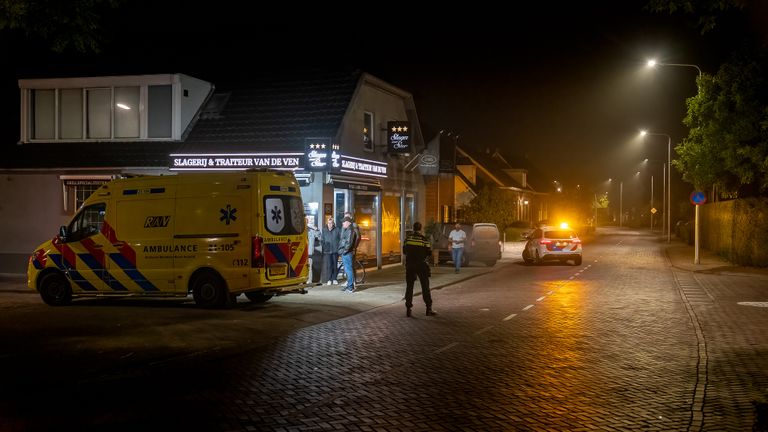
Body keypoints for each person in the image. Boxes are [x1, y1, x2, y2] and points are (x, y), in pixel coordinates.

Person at [403, 221, 435, 317]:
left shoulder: (407, 239)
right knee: (425, 287)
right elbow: (429, 252)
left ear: (413, 228)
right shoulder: (424, 240)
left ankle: (408, 309)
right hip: (421, 265)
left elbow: (404, 251)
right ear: (421, 229)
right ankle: (428, 309)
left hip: (410, 265)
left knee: (409, 287)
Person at [337, 216, 356, 293]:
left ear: (348, 223)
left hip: (347, 253)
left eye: (344, 222)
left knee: (348, 270)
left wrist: (344, 251)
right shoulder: (347, 229)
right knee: (348, 270)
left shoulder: (350, 230)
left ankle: (350, 287)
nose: (342, 223)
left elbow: (349, 243)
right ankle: (349, 285)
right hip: (345, 252)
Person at [321, 217, 340, 285]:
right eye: (329, 223)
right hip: (327, 251)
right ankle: (329, 279)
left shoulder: (337, 230)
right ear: (327, 223)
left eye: (331, 223)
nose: (330, 224)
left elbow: (340, 239)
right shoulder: (324, 230)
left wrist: (339, 248)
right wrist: (325, 247)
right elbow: (322, 240)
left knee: (335, 265)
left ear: (333, 223)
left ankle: (334, 278)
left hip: (335, 250)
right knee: (329, 265)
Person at [305, 219, 321, 284]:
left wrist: (316, 229)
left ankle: (309, 280)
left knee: (309, 267)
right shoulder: (299, 231)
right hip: (301, 252)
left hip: (309, 252)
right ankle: (302, 280)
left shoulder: (311, 231)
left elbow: (319, 236)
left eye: (306, 222)